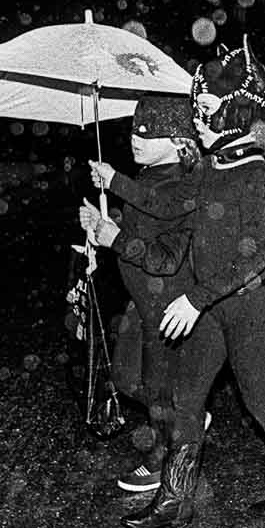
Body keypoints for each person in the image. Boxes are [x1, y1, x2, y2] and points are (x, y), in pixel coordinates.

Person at [88, 39, 265, 528]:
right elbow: (171, 208)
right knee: (187, 398)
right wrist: (115, 183)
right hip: (210, 309)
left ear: (234, 115)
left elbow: (252, 257)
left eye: (206, 111)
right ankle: (175, 499)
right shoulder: (209, 167)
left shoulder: (254, 175)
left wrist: (195, 297)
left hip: (249, 307)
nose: (196, 120)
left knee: (260, 399)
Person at [81, 94, 201, 495]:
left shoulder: (184, 185)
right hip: (142, 300)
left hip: (167, 304)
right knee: (127, 376)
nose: (137, 137)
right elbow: (140, 221)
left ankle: (162, 459)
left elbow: (164, 254)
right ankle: (189, 413)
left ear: (180, 140)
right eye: (135, 129)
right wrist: (101, 224)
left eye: (150, 132)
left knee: (156, 389)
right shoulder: (149, 176)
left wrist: (116, 228)